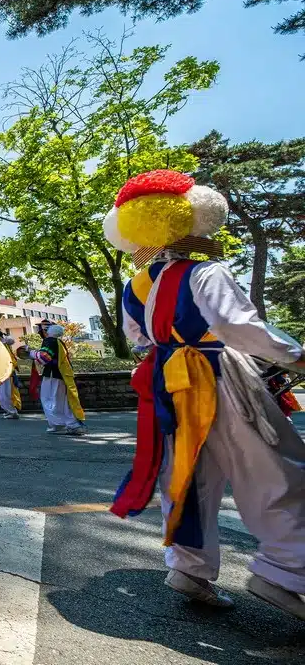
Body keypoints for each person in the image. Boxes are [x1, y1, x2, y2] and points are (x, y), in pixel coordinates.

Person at [106, 169, 305, 620]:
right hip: (217, 374)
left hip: (169, 381)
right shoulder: (205, 271)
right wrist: (296, 355)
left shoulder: (135, 285)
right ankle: (288, 570)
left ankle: (189, 568)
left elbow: (137, 336)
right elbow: (237, 326)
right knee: (273, 468)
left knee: (189, 474)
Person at [32, 323, 85, 435]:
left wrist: (31, 353)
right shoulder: (59, 342)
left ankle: (60, 424)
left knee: (49, 400)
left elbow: (44, 357)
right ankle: (71, 425)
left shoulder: (49, 341)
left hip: (52, 375)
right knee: (62, 401)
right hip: (61, 375)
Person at [0, 331, 21, 419]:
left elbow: (11, 341)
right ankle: (9, 411)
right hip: (0, 372)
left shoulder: (4, 344)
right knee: (1, 394)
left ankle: (13, 411)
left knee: (6, 394)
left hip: (7, 372)